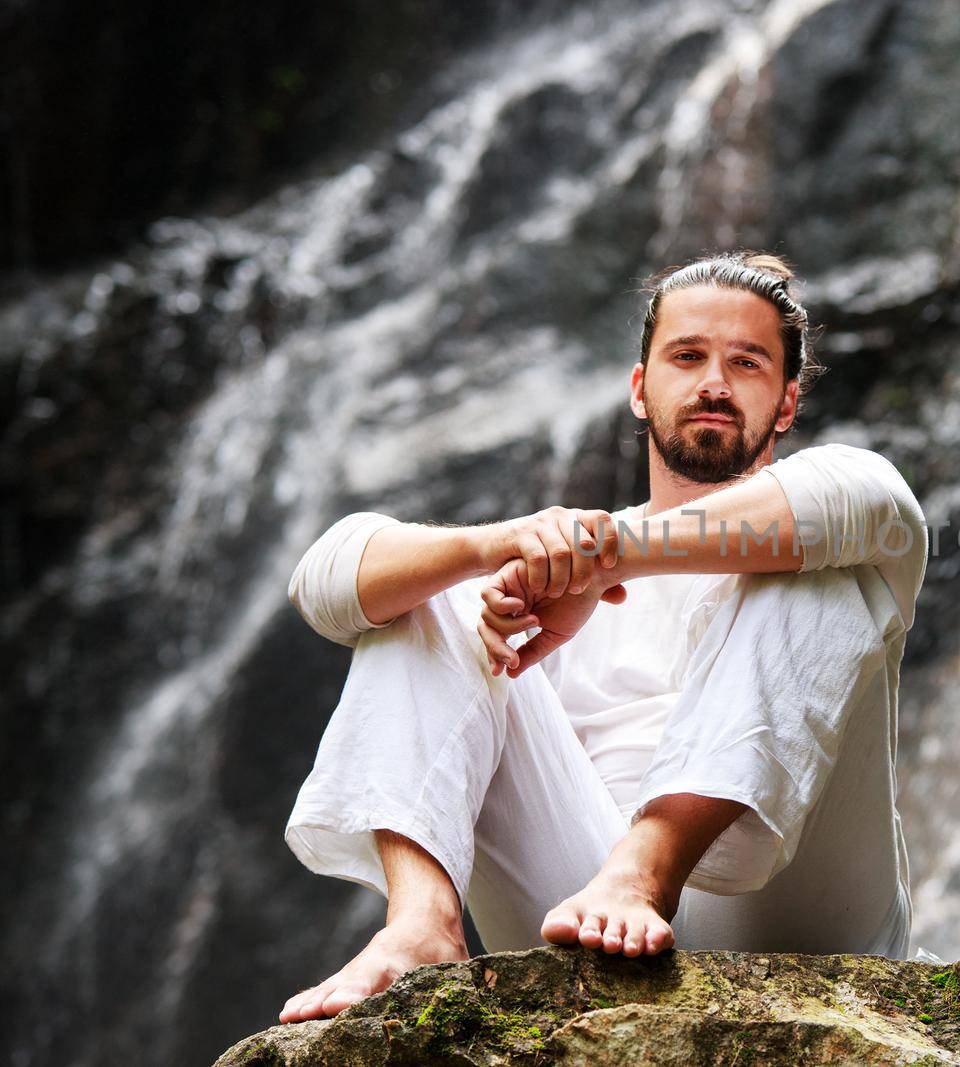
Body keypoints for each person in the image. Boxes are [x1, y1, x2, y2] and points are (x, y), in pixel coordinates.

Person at [276, 250, 927, 1024]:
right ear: (638, 390)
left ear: (787, 404)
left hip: (800, 910)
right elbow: (325, 583)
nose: (714, 382)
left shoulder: (845, 513)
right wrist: (500, 547)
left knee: (823, 571)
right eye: (687, 356)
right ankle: (421, 924)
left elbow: (864, 497)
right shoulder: (550, 558)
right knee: (433, 597)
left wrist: (601, 560)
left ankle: (649, 864)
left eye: (746, 363)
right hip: (581, 900)